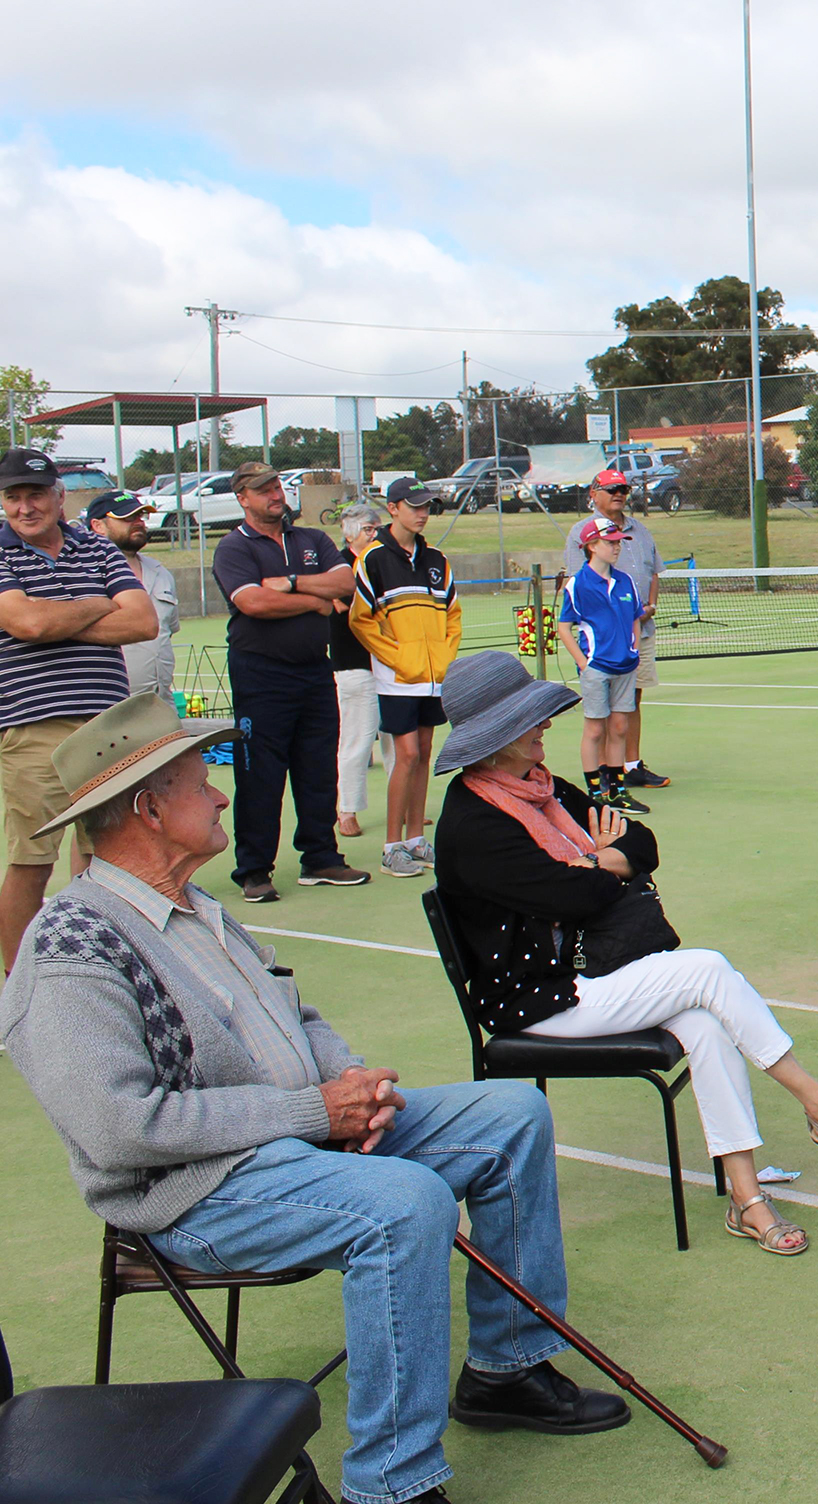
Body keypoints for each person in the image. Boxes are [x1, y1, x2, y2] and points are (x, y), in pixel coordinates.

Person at [2, 691, 632, 1504]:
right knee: (403, 1203)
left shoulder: (192, 902)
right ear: (151, 809)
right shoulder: (71, 949)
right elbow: (124, 1128)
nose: (223, 793)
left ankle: (504, 1370)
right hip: (196, 1189)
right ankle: (393, 1485)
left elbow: (293, 1008)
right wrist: (315, 1112)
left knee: (511, 1114)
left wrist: (352, 1084)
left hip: (298, 1140)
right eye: (204, 783)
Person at [431, 652, 818, 1257]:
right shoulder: (474, 825)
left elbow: (640, 841)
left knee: (705, 1024)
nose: (545, 726)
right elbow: (575, 896)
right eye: (529, 720)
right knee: (707, 969)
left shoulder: (541, 789)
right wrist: (600, 865)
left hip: (593, 975)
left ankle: (746, 1198)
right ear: (495, 738)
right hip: (537, 1000)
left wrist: (597, 860)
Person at [0, 448, 155, 964]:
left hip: (108, 724)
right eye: (13, 497)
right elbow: (28, 625)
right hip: (32, 726)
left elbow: (141, 622)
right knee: (31, 860)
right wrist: (97, 604)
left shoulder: (97, 548)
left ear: (59, 497)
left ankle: (95, 971)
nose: (25, 507)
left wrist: (53, 613)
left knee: (104, 854)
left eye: (35, 494)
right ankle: (19, 990)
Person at [211, 462, 369, 902]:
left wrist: (293, 583)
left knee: (318, 767)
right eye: (262, 490)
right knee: (260, 774)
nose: (274, 495)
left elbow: (345, 582)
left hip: (315, 672)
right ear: (243, 498)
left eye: (277, 486)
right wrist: (314, 603)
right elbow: (254, 602)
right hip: (260, 673)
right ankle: (254, 868)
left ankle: (320, 858)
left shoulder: (312, 539)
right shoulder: (233, 547)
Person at [348, 477, 458, 876]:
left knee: (424, 755)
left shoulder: (438, 560)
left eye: (428, 506)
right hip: (397, 678)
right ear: (392, 508)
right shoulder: (373, 559)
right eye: (415, 506)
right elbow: (361, 621)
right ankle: (392, 845)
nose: (423, 513)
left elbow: (453, 616)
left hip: (433, 678)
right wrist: (397, 659)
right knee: (406, 755)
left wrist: (443, 659)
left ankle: (415, 839)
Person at [562, 469, 669, 791]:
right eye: (611, 489)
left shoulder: (641, 530)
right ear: (594, 494)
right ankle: (604, 778)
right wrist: (584, 660)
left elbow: (653, 573)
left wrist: (648, 608)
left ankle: (630, 766)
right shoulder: (582, 532)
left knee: (630, 704)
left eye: (622, 488)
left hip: (637, 633)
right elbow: (575, 587)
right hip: (601, 644)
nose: (619, 494)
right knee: (601, 714)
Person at [554, 515, 648, 814]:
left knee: (619, 727)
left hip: (626, 667)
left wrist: (633, 648)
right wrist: (584, 663)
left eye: (618, 542)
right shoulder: (577, 584)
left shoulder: (625, 581)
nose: (616, 548)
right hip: (597, 668)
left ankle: (618, 790)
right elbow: (564, 627)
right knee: (595, 730)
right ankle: (595, 793)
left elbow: (635, 616)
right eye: (610, 543)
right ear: (592, 546)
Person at [89, 491, 179, 701]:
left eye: (140, 516)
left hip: (160, 704)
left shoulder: (160, 572)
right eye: (127, 518)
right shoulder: (85, 574)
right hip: (108, 707)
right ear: (98, 526)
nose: (138, 522)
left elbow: (167, 632)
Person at [328, 505, 384, 840]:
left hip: (390, 663)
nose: (375, 534)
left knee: (398, 738)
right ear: (350, 534)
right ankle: (346, 809)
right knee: (358, 739)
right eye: (367, 529)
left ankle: (407, 805)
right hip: (353, 663)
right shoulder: (337, 565)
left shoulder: (384, 561)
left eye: (378, 528)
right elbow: (344, 608)